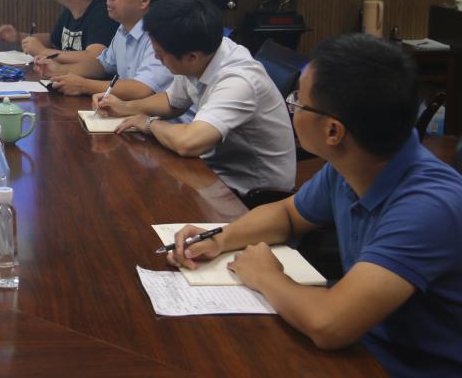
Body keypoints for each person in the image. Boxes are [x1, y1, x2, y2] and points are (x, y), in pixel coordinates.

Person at [166, 34, 462, 377]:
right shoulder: (354, 163)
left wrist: (265, 275)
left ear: (333, 131)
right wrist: (219, 239)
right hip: (362, 346)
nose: (292, 107)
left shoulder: (428, 208)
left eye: (298, 101)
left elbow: (329, 324)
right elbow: (288, 214)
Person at [96, 0, 295, 196]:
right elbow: (173, 102)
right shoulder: (200, 50)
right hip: (215, 168)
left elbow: (188, 143)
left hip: (253, 190)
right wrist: (125, 107)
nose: (155, 58)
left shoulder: (238, 81)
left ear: (191, 57)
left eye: (160, 54)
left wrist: (148, 123)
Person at [38, 0, 174, 100]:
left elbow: (142, 89)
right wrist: (60, 70)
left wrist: (84, 85)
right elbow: (102, 65)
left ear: (144, 0)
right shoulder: (123, 29)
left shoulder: (163, 33)